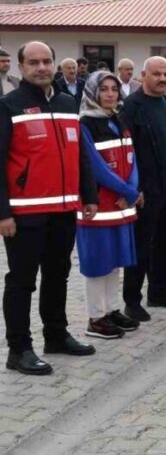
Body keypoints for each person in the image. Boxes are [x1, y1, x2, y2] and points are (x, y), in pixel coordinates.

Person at [0, 42, 99, 375]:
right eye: (34, 62)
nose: (41, 67)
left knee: (58, 276)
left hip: (63, 209)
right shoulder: (9, 105)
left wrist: (88, 195)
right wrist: (3, 213)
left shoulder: (67, 102)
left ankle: (55, 336)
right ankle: (19, 349)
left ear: (55, 64)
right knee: (22, 282)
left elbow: (80, 154)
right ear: (22, 66)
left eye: (47, 61)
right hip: (25, 213)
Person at [121, 57, 166, 318]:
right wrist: (135, 188)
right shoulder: (132, 107)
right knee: (140, 245)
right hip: (145, 191)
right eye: (157, 74)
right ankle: (132, 301)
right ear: (143, 75)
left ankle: (159, 292)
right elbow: (128, 151)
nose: (162, 79)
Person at [76, 71, 142, 339]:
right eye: (104, 89)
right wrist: (127, 190)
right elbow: (95, 166)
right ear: (93, 92)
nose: (110, 94)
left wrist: (132, 190)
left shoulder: (119, 119)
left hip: (122, 203)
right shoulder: (85, 124)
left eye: (114, 88)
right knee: (97, 263)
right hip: (99, 204)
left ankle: (112, 309)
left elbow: (132, 156)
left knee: (115, 261)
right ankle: (95, 318)